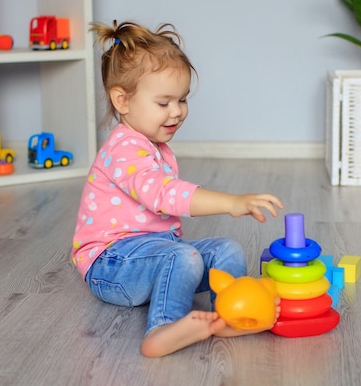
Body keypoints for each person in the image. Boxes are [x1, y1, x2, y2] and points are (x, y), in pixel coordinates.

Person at [72, 20, 283, 357]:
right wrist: (231, 202)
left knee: (226, 249)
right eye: (164, 103)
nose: (177, 112)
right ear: (122, 100)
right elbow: (163, 194)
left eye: (182, 100)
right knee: (182, 254)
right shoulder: (123, 148)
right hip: (111, 266)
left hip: (156, 255)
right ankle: (163, 329)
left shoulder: (154, 145)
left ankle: (230, 313)